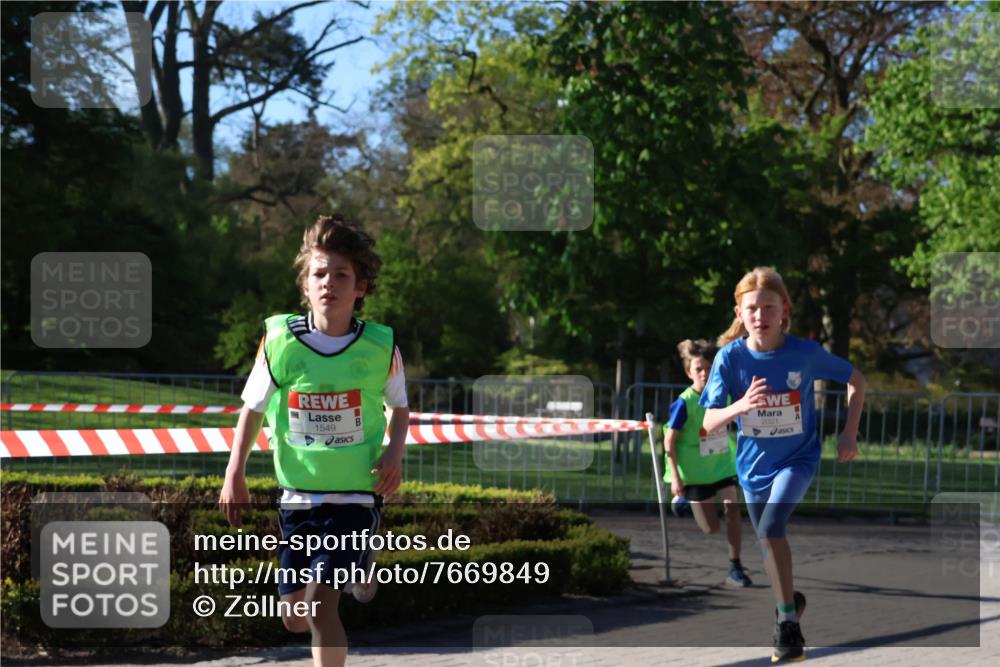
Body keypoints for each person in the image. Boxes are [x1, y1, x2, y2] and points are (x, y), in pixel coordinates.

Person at [219, 214, 410, 667]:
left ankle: (356, 561)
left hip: (356, 498)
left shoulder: (380, 347)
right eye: (319, 274)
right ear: (305, 284)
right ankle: (362, 565)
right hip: (297, 499)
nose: (329, 283)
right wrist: (234, 473)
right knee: (294, 617)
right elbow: (253, 409)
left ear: (360, 287)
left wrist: (394, 453)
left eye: (341, 274)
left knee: (323, 603)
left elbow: (399, 407)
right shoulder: (280, 342)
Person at [700, 267, 864, 663]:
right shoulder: (729, 358)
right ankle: (789, 603)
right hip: (753, 466)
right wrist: (740, 406)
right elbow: (707, 423)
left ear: (784, 310)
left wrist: (849, 432)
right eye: (752, 308)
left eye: (768, 307)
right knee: (768, 540)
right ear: (739, 312)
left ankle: (787, 624)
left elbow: (856, 378)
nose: (761, 316)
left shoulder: (803, 353)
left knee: (772, 526)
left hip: (798, 458)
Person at [663, 339, 752, 588]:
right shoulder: (684, 403)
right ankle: (686, 504)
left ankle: (735, 566)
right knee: (711, 528)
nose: (703, 373)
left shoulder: (722, 394)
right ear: (689, 373)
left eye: (707, 368)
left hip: (721, 466)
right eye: (698, 369)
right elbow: (669, 442)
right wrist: (676, 479)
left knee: (732, 509)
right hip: (694, 473)